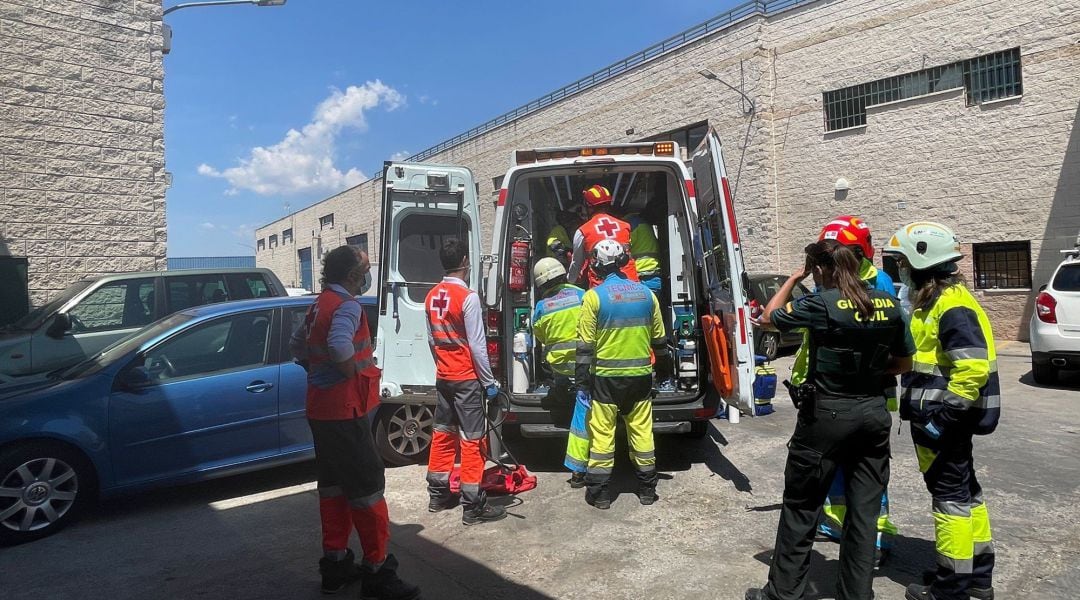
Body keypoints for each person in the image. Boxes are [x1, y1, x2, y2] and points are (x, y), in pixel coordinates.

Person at [746, 239, 914, 600]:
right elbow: (903, 364)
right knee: (864, 514)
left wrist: (792, 279)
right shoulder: (888, 303)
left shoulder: (821, 303)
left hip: (827, 416)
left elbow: (767, 317)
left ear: (819, 269)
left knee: (802, 506)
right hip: (873, 414)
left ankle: (784, 593)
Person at [290, 245, 420, 599]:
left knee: (333, 489)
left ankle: (335, 567)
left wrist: (321, 376)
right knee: (367, 492)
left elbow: (298, 346)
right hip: (347, 413)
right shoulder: (347, 306)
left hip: (321, 412)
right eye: (364, 270)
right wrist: (346, 373)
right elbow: (339, 348)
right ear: (351, 276)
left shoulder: (320, 304)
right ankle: (378, 574)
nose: (367, 276)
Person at [882, 222, 999, 600]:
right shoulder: (940, 300)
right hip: (942, 418)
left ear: (920, 260)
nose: (898, 268)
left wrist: (941, 420)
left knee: (949, 500)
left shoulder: (951, 306)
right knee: (967, 495)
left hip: (942, 420)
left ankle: (950, 587)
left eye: (901, 262)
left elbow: (972, 369)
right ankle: (977, 578)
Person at [808, 216, 902, 563]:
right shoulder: (827, 284)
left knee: (866, 469)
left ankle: (875, 539)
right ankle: (837, 524)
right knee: (834, 464)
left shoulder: (879, 283)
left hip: (863, 391)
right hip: (834, 390)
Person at [576, 239, 668, 509]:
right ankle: (647, 489)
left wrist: (582, 381)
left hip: (606, 379)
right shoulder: (646, 295)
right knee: (641, 431)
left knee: (602, 434)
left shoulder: (593, 297)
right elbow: (660, 340)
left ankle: (601, 493)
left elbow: (584, 346)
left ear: (597, 265)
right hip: (640, 376)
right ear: (622, 261)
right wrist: (662, 371)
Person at [424, 239, 507, 526]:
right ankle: (473, 506)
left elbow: (432, 340)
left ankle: (438, 495)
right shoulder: (468, 297)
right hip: (466, 379)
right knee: (473, 440)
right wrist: (489, 382)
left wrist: (442, 366)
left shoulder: (431, 296)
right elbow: (477, 345)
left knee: (443, 434)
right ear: (464, 261)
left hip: (444, 377)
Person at [530, 257, 588, 487]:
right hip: (585, 363)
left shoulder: (542, 307)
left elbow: (539, 335)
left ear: (542, 284)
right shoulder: (583, 295)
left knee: (559, 382)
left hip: (560, 368)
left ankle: (561, 392)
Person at [567, 185, 638, 288]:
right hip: (630, 284)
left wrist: (570, 280)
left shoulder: (583, 231)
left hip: (602, 288)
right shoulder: (625, 226)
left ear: (588, 206)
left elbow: (577, 263)